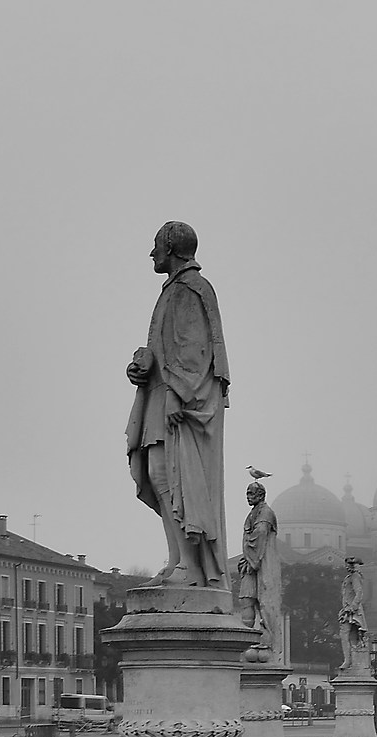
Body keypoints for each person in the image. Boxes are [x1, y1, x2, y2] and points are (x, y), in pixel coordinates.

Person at [125, 222, 229, 590]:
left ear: (171, 247)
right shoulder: (172, 290)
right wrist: (141, 366)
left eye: (155, 245)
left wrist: (176, 393)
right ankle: (177, 560)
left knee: (175, 476)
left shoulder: (190, 289)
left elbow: (195, 350)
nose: (151, 253)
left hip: (177, 401)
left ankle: (191, 565)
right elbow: (167, 348)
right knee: (156, 474)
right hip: (159, 395)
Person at [236, 480, 283, 657]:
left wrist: (252, 559)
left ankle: (269, 641)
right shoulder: (253, 513)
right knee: (246, 599)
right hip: (251, 561)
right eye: (247, 493)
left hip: (262, 563)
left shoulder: (266, 513)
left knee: (265, 603)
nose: (248, 497)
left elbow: (260, 534)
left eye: (251, 494)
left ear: (261, 495)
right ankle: (245, 642)